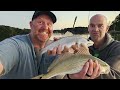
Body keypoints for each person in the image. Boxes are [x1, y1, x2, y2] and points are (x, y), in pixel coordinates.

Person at [0, 11, 63, 79]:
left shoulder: (58, 48)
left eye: (49, 24)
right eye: (40, 22)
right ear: (31, 24)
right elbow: (5, 53)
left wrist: (67, 57)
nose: (45, 27)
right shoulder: (15, 44)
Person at [65, 14, 120, 79]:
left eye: (100, 26)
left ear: (107, 29)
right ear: (88, 28)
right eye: (92, 25)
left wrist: (86, 69)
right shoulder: (79, 46)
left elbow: (114, 75)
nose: (96, 29)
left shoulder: (117, 47)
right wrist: (66, 54)